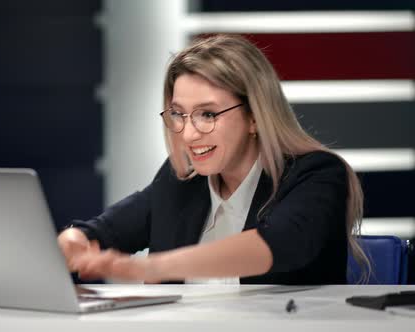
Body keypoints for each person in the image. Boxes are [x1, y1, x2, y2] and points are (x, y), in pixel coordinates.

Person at [57, 34, 369, 285]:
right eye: (179, 114)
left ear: (254, 118)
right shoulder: (181, 180)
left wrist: (151, 268)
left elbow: (275, 244)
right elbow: (99, 233)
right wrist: (73, 242)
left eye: (208, 114)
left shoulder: (317, 174)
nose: (189, 135)